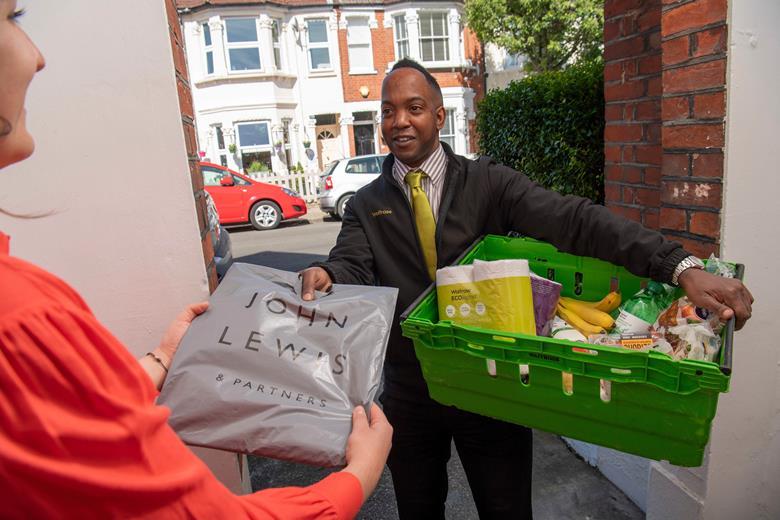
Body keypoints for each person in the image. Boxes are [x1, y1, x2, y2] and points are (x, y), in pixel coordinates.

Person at [300, 58, 754, 519]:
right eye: (388, 111)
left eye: (414, 108)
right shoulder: (366, 203)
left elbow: (575, 221)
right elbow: (350, 262)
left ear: (439, 116)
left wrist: (679, 265)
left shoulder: (487, 183)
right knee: (417, 509)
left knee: (507, 509)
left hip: (491, 379)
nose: (399, 122)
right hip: (410, 391)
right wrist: (328, 275)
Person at [0, 2, 392, 517]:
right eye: (13, 19)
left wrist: (162, 360)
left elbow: (51, 429)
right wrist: (358, 475)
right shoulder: (23, 317)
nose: (38, 56)